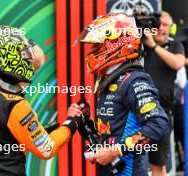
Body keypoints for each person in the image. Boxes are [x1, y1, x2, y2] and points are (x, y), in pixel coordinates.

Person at [0, 26, 82, 176]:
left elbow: (2, 137)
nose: (27, 59)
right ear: (4, 58)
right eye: (21, 54)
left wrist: (39, 132)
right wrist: (71, 124)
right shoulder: (14, 104)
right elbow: (47, 149)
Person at [68, 13, 169, 176]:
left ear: (116, 43)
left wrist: (116, 151)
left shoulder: (134, 81)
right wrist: (83, 120)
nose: (92, 51)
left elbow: (159, 126)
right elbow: (107, 136)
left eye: (97, 45)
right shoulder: (110, 80)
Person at [143, 11, 186, 175]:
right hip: (134, 113)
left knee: (158, 163)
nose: (161, 29)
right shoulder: (140, 46)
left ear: (172, 28)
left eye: (166, 25)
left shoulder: (175, 46)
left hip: (160, 114)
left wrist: (154, 46)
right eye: (158, 24)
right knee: (130, 159)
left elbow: (177, 63)